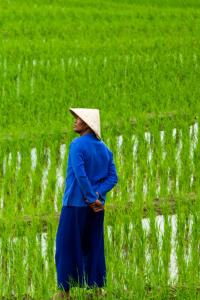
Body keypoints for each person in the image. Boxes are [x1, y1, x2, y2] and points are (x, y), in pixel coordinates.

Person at [53, 108, 118, 299]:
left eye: (78, 119)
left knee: (65, 245)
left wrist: (90, 198)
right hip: (97, 208)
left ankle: (64, 292)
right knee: (93, 245)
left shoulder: (77, 145)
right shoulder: (105, 149)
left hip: (75, 205)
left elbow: (80, 176)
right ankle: (97, 289)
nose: (75, 122)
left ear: (87, 124)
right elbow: (113, 178)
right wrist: (97, 196)